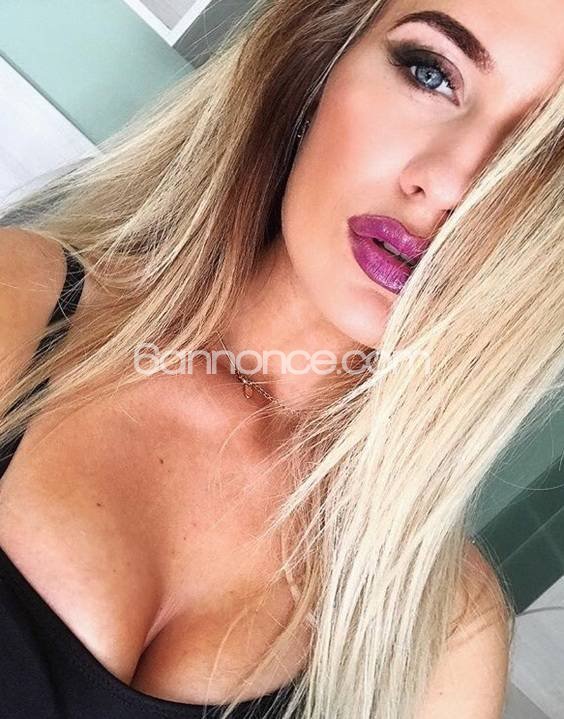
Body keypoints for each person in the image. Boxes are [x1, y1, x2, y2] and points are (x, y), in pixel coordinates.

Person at [0, 1, 562, 717]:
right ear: (317, 67)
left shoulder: (446, 635)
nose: (451, 185)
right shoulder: (16, 300)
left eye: (540, 163)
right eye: (430, 73)